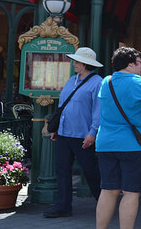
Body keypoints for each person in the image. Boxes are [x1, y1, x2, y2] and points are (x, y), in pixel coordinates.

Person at [96, 47, 141, 229]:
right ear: (131, 63)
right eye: (140, 63)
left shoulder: (105, 82)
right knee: (131, 192)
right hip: (134, 145)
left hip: (105, 144)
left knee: (108, 190)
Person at [44, 47, 103, 218]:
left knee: (90, 170)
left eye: (77, 61)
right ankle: (63, 206)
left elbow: (98, 111)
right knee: (62, 170)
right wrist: (56, 130)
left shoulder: (97, 82)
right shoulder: (71, 80)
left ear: (86, 64)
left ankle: (104, 202)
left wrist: (92, 132)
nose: (74, 63)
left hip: (83, 135)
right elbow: (62, 106)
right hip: (64, 134)